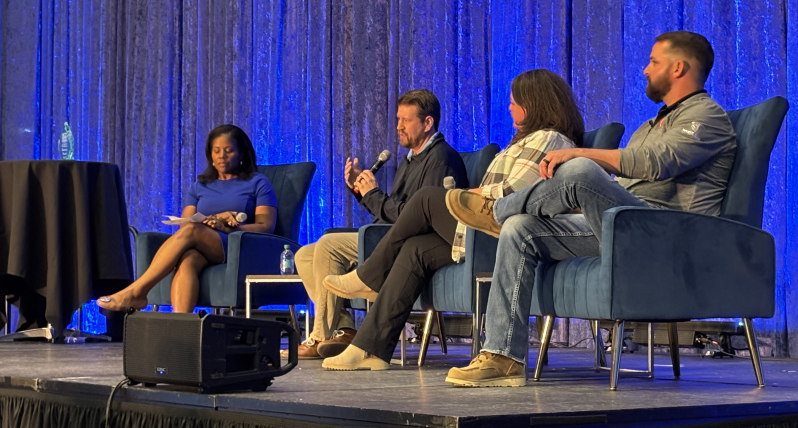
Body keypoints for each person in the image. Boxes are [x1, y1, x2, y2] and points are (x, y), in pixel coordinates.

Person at [444, 31, 736, 387]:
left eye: (653, 62)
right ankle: (503, 357)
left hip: (667, 232)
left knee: (579, 170)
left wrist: (581, 154)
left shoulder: (708, 116)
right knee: (520, 228)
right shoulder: (650, 125)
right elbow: (628, 184)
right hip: (621, 226)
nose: (645, 69)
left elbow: (656, 163)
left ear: (678, 68)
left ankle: (496, 210)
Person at [320, 69, 585, 371]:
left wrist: (467, 194)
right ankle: (370, 349)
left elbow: (515, 193)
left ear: (535, 103)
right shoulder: (521, 142)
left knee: (428, 198)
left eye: (514, 102)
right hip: (483, 229)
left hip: (507, 233)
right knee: (416, 248)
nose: (509, 108)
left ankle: (369, 276)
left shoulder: (551, 139)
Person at [293, 89, 468, 359]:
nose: (398, 126)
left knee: (328, 245)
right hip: (385, 235)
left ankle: (321, 336)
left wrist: (373, 195)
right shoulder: (409, 160)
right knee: (304, 254)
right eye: (398, 119)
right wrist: (361, 192)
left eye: (406, 120)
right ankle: (344, 328)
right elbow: (391, 211)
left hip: (406, 241)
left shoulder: (441, 160)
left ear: (428, 123)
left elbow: (416, 219)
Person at [97, 124, 278, 312]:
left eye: (229, 151)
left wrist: (229, 228)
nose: (222, 156)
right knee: (188, 259)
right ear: (210, 155)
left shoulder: (258, 182)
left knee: (192, 231)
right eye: (216, 151)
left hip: (238, 245)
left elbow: (266, 226)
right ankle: (181, 328)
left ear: (241, 154)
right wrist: (216, 217)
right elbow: (186, 224)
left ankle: (137, 291)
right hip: (204, 245)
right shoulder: (199, 186)